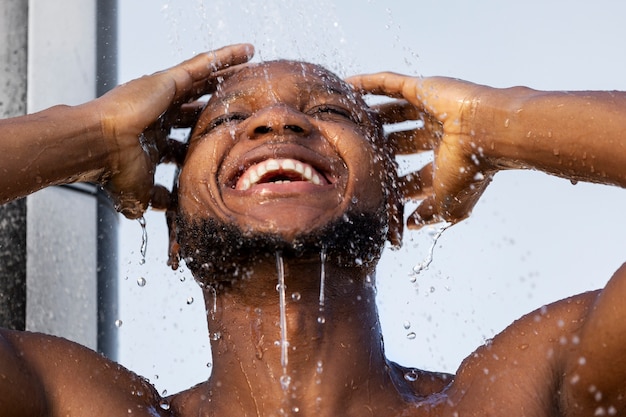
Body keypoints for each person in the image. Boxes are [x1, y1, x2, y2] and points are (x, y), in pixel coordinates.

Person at [1, 43, 625, 416]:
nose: (277, 118)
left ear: (393, 214)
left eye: (329, 111)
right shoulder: (79, 403)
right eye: (227, 119)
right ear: (178, 234)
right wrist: (95, 134)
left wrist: (500, 124)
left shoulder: (513, 395)